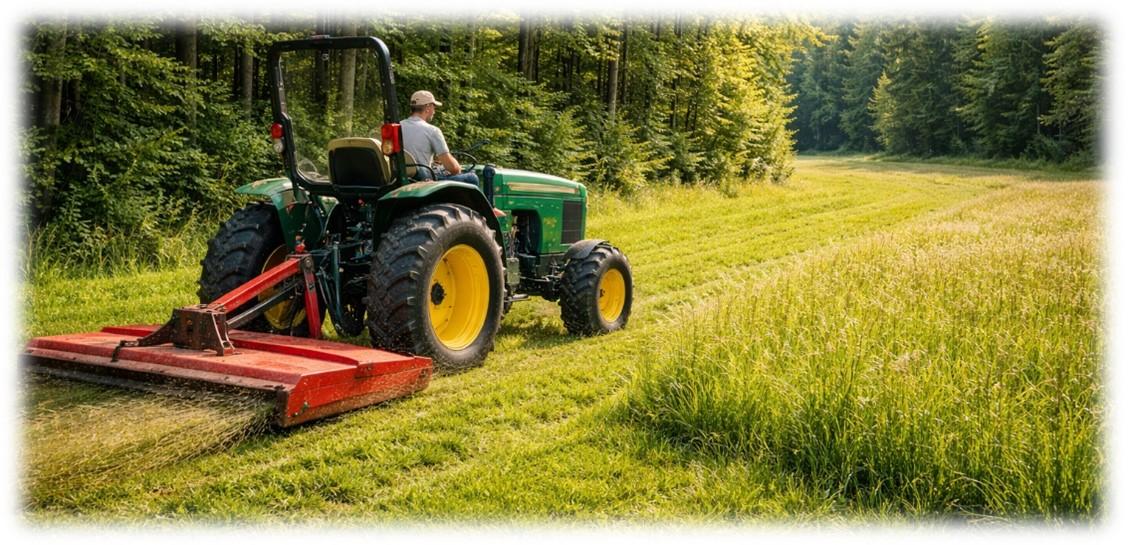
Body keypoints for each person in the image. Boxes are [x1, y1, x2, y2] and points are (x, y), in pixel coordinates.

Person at [399, 90, 480, 187]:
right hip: (423, 180)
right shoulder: (432, 131)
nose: (434, 111)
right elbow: (453, 169)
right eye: (434, 107)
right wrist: (458, 167)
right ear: (428, 107)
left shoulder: (397, 126)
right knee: (471, 178)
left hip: (402, 177)